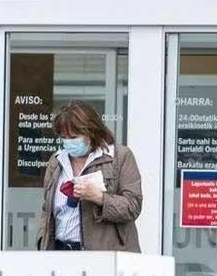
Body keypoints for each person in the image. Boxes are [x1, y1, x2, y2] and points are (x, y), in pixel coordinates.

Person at [38, 101, 142, 252]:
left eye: (74, 136)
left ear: (92, 132)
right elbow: (46, 209)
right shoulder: (56, 160)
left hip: (103, 255)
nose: (68, 141)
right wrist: (42, 241)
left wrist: (99, 197)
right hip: (59, 252)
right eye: (64, 137)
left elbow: (133, 206)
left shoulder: (120, 157)